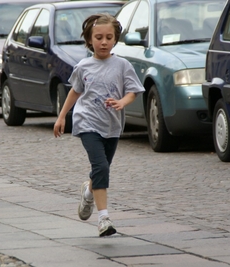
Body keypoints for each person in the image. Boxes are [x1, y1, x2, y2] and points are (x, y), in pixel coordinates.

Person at [53, 13, 145, 237]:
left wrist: (122, 102)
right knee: (101, 167)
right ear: (89, 40)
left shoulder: (122, 65)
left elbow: (133, 91)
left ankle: (88, 191)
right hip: (87, 124)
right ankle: (104, 219)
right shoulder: (83, 66)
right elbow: (75, 91)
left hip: (112, 126)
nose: (103, 42)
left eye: (109, 37)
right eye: (98, 37)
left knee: (101, 169)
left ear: (115, 40)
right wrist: (62, 116)